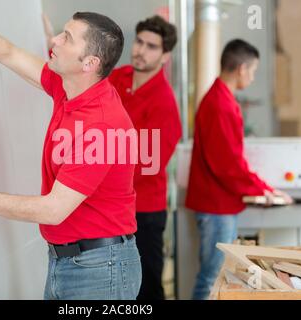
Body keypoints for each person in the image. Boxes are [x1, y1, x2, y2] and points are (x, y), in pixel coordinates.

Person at [0, 3, 141, 300]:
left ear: (89, 63)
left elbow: (53, 209)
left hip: (100, 271)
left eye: (67, 38)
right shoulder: (71, 88)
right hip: (70, 262)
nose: (55, 41)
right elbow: (7, 52)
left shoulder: (100, 127)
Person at [185, 39, 293, 300]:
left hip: (219, 204)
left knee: (218, 274)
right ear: (242, 68)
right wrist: (263, 190)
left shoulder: (221, 99)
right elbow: (228, 165)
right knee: (213, 276)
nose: (252, 77)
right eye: (253, 71)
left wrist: (263, 188)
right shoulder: (219, 105)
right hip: (216, 207)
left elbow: (231, 161)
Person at [108, 16, 182, 300]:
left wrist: (99, 170)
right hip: (114, 205)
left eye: (151, 46)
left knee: (147, 286)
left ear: (164, 56)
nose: (141, 50)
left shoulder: (163, 102)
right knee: (118, 284)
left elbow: (147, 165)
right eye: (139, 41)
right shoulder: (118, 77)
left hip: (145, 211)